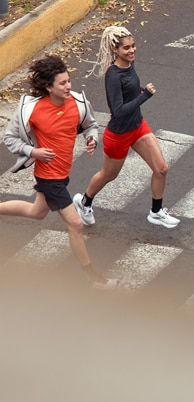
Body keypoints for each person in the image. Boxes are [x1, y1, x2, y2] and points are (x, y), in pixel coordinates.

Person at [3, 55, 117, 290]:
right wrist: (33, 151)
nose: (69, 87)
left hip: (63, 172)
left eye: (68, 81)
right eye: (63, 83)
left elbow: (90, 124)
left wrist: (92, 138)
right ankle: (94, 279)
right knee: (75, 224)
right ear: (48, 87)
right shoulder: (31, 110)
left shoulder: (78, 102)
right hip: (48, 176)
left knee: (37, 212)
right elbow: (9, 138)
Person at [74, 25, 180, 229]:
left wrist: (138, 93)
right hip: (119, 134)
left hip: (138, 125)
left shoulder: (129, 65)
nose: (132, 51)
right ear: (115, 50)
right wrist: (145, 96)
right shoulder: (113, 76)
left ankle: (156, 212)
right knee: (109, 175)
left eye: (133, 46)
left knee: (161, 169)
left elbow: (129, 92)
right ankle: (84, 202)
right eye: (126, 48)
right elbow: (118, 110)